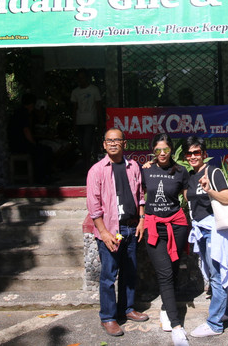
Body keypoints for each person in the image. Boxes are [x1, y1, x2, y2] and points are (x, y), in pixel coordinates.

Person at [86, 127, 149, 337]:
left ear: (124, 144)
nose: (113, 143)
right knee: (108, 276)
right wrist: (103, 232)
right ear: (104, 145)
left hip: (131, 227)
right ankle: (108, 317)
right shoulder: (96, 170)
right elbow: (94, 206)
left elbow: (140, 195)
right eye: (109, 140)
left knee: (129, 272)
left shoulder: (133, 167)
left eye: (117, 140)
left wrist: (141, 220)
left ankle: (127, 309)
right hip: (110, 231)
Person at [184, 136, 228, 338]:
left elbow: (227, 198)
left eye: (196, 152)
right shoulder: (191, 177)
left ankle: (214, 324)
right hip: (200, 230)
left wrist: (209, 189)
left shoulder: (213, 172)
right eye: (189, 153)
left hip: (214, 231)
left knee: (217, 276)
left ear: (204, 154)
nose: (193, 156)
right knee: (213, 273)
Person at [141, 133, 191, 346]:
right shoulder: (146, 170)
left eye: (166, 150)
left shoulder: (181, 171)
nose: (162, 154)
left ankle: (165, 306)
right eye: (158, 150)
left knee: (172, 268)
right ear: (153, 150)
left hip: (177, 225)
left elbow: (189, 197)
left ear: (171, 150)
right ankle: (177, 325)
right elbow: (139, 196)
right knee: (164, 273)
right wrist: (141, 218)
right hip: (153, 227)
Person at [7, 93, 54, 183]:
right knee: (45, 151)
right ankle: (42, 177)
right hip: (19, 145)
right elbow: (26, 130)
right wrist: (33, 143)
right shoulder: (23, 113)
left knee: (43, 149)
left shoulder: (18, 112)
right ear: (32, 104)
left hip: (16, 143)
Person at [70, 69, 102, 170]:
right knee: (81, 144)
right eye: (79, 78)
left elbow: (98, 106)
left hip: (90, 121)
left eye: (83, 77)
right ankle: (85, 163)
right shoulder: (75, 92)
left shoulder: (94, 90)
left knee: (87, 143)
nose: (81, 80)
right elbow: (74, 108)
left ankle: (88, 165)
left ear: (87, 78)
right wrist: (74, 123)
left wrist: (100, 120)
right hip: (80, 121)